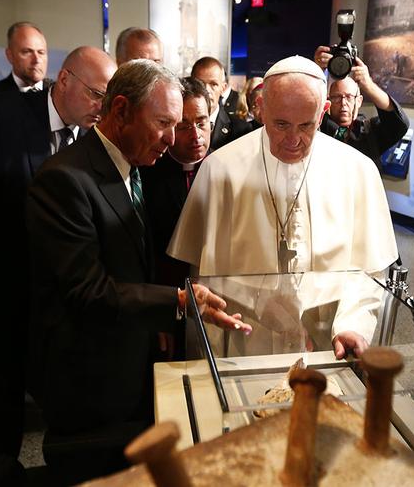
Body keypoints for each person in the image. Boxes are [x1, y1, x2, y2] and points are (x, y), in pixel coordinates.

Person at [25, 60, 250, 478]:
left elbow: (132, 263)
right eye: (163, 122)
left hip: (129, 362)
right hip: (89, 381)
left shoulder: (132, 164)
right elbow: (87, 291)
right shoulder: (64, 179)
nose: (171, 138)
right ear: (122, 110)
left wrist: (159, 319)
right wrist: (179, 301)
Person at [0, 46, 116, 461]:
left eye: (108, 99)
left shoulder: (96, 136)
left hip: (65, 296)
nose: (102, 109)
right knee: (3, 389)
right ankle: (1, 469)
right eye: (95, 95)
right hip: (4, 287)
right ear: (64, 80)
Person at [168, 55, 398, 359]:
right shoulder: (219, 169)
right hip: (243, 339)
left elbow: (371, 270)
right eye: (280, 124)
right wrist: (254, 302)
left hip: (328, 340)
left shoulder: (358, 170)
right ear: (261, 108)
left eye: (306, 125)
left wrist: (352, 324)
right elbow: (201, 273)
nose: (292, 140)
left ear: (323, 112)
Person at [140, 76, 211, 288]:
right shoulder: (147, 171)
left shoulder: (226, 168)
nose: (196, 135)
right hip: (163, 290)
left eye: (201, 122)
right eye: (184, 126)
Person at [314, 46, 409, 166]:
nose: (343, 103)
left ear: (358, 101)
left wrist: (368, 85)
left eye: (349, 97)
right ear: (328, 102)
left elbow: (399, 124)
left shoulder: (371, 132)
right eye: (337, 98)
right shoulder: (318, 128)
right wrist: (315, 72)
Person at [191, 56, 251, 150]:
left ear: (223, 88)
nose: (206, 90)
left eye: (213, 84)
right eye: (200, 84)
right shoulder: (177, 125)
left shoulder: (241, 130)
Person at [0, 21, 49, 96]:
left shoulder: (60, 96)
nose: (37, 60)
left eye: (41, 52)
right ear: (10, 55)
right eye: (27, 52)